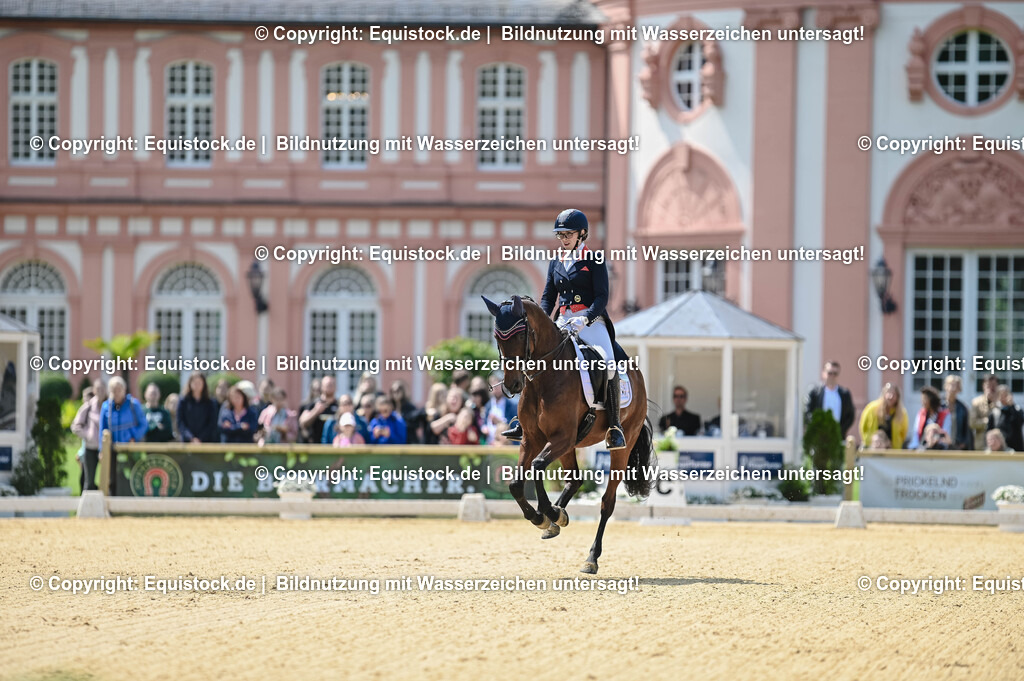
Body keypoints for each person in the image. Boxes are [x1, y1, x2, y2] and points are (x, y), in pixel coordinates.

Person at [504, 208, 625, 449]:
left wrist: (586, 318)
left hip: (590, 321)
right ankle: (523, 420)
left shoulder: (594, 260)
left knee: (609, 363)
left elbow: (602, 297)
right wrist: (541, 321)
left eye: (568, 234)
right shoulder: (556, 261)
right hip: (562, 320)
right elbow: (549, 297)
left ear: (582, 234)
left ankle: (614, 426)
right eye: (560, 235)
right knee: (532, 359)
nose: (564, 238)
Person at [72, 378, 107, 491]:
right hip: (91, 448)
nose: (100, 391)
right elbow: (75, 426)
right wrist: (88, 435)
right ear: (94, 391)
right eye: (98, 389)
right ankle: (88, 501)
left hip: (106, 448)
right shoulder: (88, 407)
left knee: (108, 480)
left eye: (102, 389)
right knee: (89, 481)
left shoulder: (109, 406)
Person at [804, 361, 855, 437]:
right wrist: (816, 429)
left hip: (838, 436)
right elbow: (807, 413)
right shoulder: (815, 393)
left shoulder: (845, 394)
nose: (832, 376)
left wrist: (840, 430)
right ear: (823, 373)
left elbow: (850, 416)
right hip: (818, 437)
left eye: (835, 373)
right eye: (830, 373)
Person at [100, 376, 147, 444]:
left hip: (131, 445)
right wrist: (102, 447)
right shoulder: (106, 407)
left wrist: (134, 437)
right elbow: (102, 429)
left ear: (124, 389)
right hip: (112, 446)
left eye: (119, 390)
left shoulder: (133, 404)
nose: (117, 393)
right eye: (114, 390)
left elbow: (143, 424)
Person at [860, 383, 909, 449]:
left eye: (894, 394)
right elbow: (863, 427)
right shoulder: (872, 408)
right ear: (884, 394)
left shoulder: (902, 413)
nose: (891, 396)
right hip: (873, 447)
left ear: (898, 397)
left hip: (893, 449)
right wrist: (868, 441)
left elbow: (903, 433)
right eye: (889, 393)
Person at [178, 372, 219, 443]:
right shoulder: (183, 401)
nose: (197, 385)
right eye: (194, 382)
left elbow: (212, 423)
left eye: (199, 382)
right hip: (187, 442)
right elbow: (181, 423)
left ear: (204, 384)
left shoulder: (211, 402)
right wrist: (190, 437)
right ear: (190, 383)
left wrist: (200, 438)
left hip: (206, 442)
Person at [907, 385, 951, 450]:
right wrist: (914, 447)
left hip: (940, 448)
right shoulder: (921, 414)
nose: (922, 402)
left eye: (924, 399)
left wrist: (935, 441)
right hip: (922, 447)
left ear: (932, 399)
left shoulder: (945, 414)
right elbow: (916, 433)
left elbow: (946, 433)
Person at [299, 375, 338, 445]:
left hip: (334, 446)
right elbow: (302, 422)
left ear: (336, 387)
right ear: (322, 387)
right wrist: (315, 411)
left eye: (332, 384)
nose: (330, 386)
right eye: (328, 385)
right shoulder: (313, 404)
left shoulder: (339, 405)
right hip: (315, 445)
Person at [988, 385, 1024, 453]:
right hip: (999, 449)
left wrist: (1012, 406)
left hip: (1016, 448)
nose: (1003, 398)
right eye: (1001, 395)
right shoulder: (995, 412)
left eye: (1005, 395)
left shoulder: (1017, 410)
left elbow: (1020, 422)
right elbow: (989, 431)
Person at [969, 374, 999, 450]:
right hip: (981, 444)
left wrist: (995, 402)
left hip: (998, 445)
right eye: (988, 386)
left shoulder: (1000, 402)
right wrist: (988, 422)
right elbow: (972, 423)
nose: (991, 389)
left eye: (993, 386)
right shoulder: (976, 402)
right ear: (983, 386)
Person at [942, 375, 971, 450]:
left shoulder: (962, 408)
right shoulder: (939, 406)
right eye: (951, 385)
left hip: (957, 446)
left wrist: (963, 444)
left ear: (959, 389)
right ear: (946, 386)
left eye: (956, 386)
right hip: (940, 445)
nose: (953, 388)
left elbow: (966, 429)